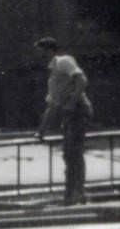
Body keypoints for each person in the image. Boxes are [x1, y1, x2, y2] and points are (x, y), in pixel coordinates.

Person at [33, 37, 94, 205]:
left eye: (41, 51)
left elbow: (82, 80)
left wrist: (73, 102)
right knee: (69, 154)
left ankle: (77, 194)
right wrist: (41, 130)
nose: (39, 56)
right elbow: (52, 106)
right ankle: (72, 194)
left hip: (79, 110)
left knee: (73, 153)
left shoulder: (63, 61)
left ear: (50, 50)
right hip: (69, 114)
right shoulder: (52, 77)